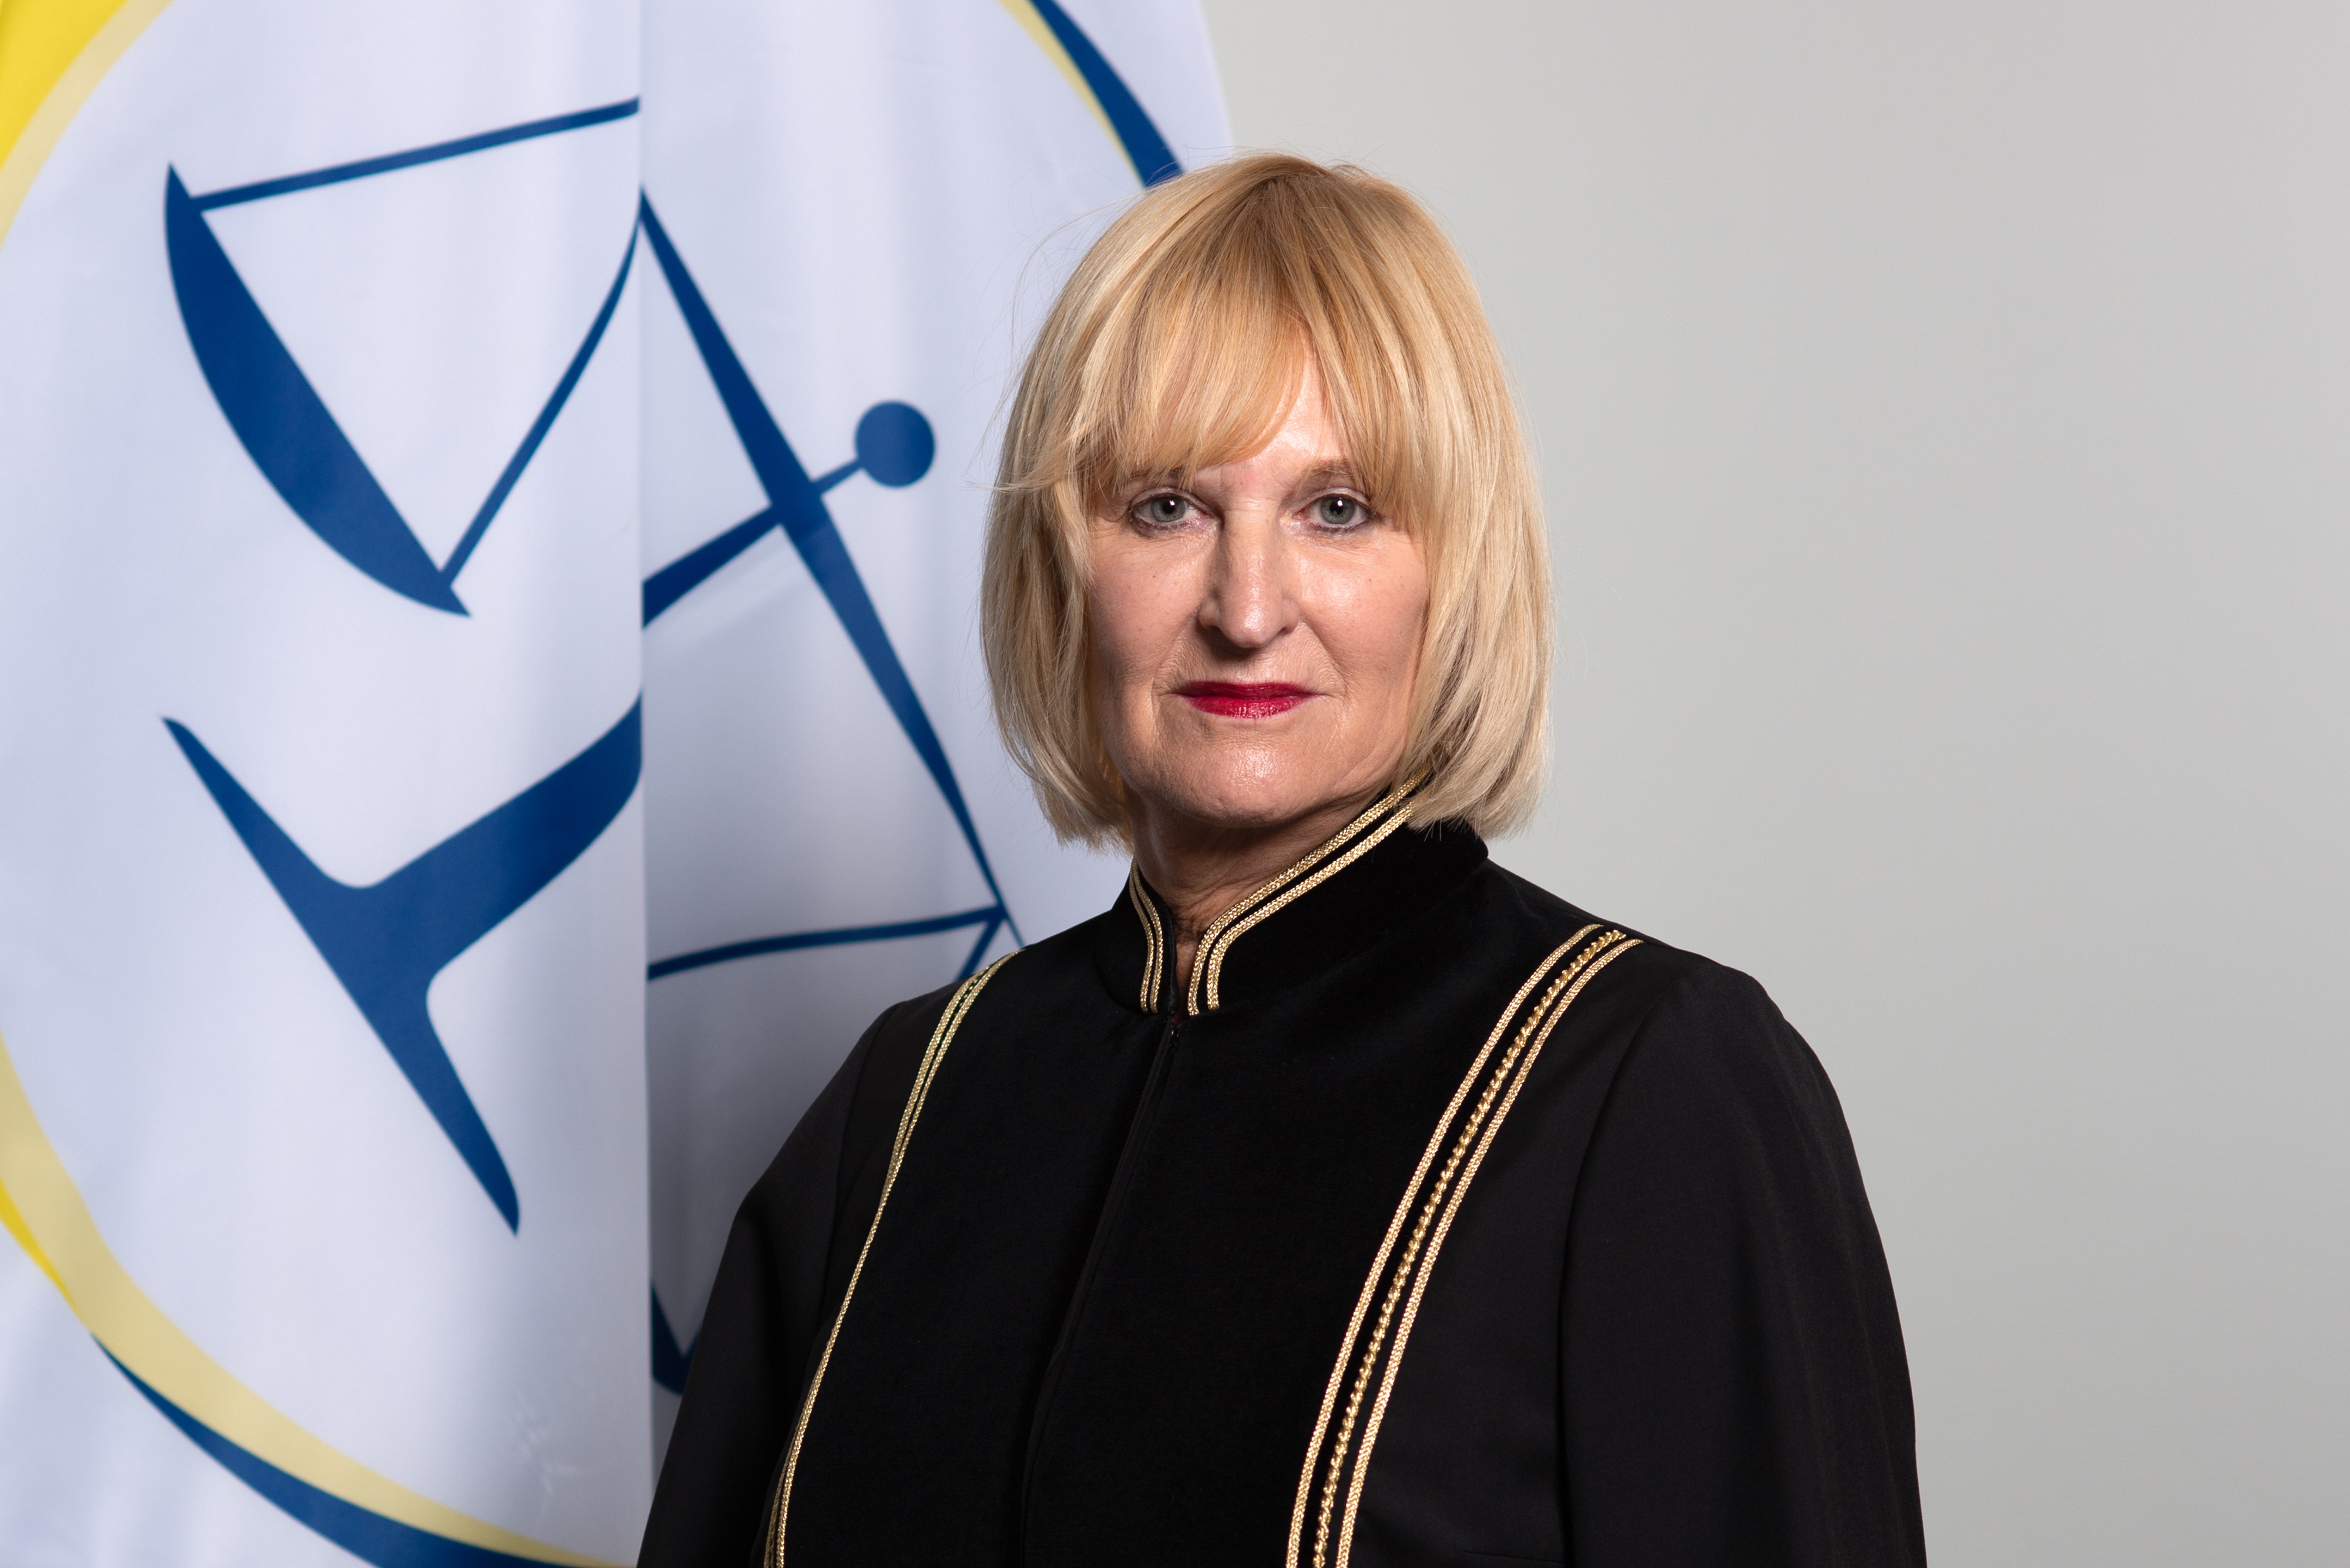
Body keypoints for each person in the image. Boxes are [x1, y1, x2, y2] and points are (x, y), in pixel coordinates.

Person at [639, 153, 1926, 1568]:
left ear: (1453, 569)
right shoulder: (901, 1108)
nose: (1246, 610)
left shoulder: (1646, 1085)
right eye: (1166, 507)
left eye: (1337, 509)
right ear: (1064, 568)